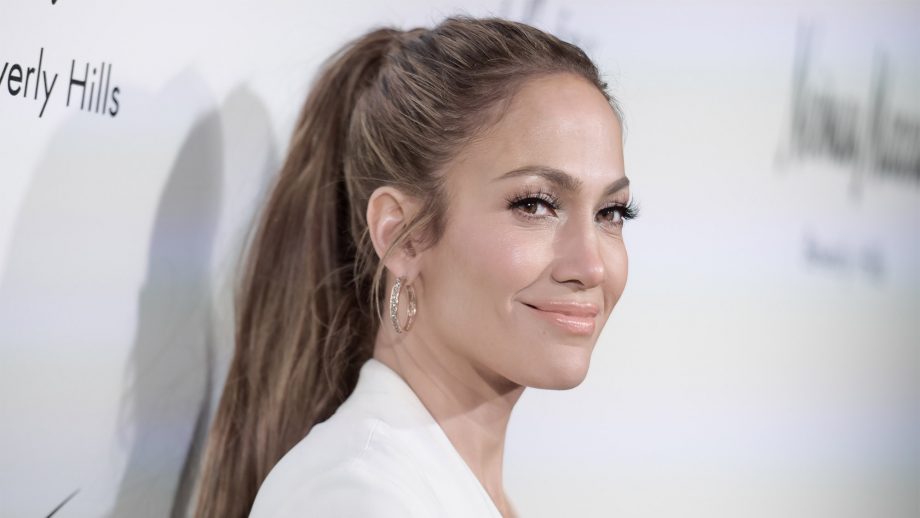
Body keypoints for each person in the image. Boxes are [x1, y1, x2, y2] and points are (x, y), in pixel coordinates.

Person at [194, 15, 637, 518]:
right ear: (402, 235)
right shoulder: (356, 496)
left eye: (611, 213)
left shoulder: (431, 488)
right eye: (534, 204)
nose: (591, 267)